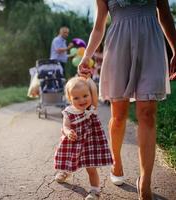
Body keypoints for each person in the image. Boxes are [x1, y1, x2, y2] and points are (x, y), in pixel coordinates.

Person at [78, 0, 176, 199]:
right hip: (118, 46)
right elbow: (99, 26)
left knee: (147, 113)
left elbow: (165, 14)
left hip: (150, 43)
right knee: (119, 115)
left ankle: (145, 181)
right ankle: (116, 161)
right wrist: (86, 56)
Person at [54, 77, 113, 200]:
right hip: (73, 142)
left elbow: (93, 89)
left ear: (91, 95)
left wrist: (88, 77)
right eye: (76, 98)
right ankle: (65, 172)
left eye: (85, 95)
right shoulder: (68, 112)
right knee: (70, 160)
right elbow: (65, 126)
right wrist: (68, 131)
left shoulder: (91, 108)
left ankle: (95, 191)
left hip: (90, 143)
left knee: (91, 168)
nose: (82, 100)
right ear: (70, 99)